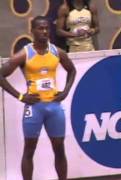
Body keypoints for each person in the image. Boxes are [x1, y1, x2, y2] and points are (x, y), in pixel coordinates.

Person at [0, 16, 76, 180]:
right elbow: (1, 75)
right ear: (32, 31)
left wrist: (65, 92)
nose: (44, 32)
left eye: (47, 28)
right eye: (40, 28)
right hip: (34, 108)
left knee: (59, 148)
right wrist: (20, 96)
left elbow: (72, 70)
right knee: (29, 150)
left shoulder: (56, 51)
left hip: (54, 107)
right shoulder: (25, 54)